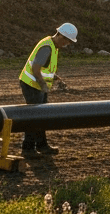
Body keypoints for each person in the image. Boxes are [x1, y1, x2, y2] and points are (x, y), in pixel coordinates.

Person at [18, 22, 77, 159]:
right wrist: (43, 84)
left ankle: (42, 146)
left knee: (41, 116)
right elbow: (36, 69)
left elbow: (44, 68)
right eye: (67, 41)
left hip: (37, 85)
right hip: (32, 85)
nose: (67, 44)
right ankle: (27, 149)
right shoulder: (47, 48)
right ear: (61, 36)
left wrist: (53, 77)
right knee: (34, 117)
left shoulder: (52, 46)